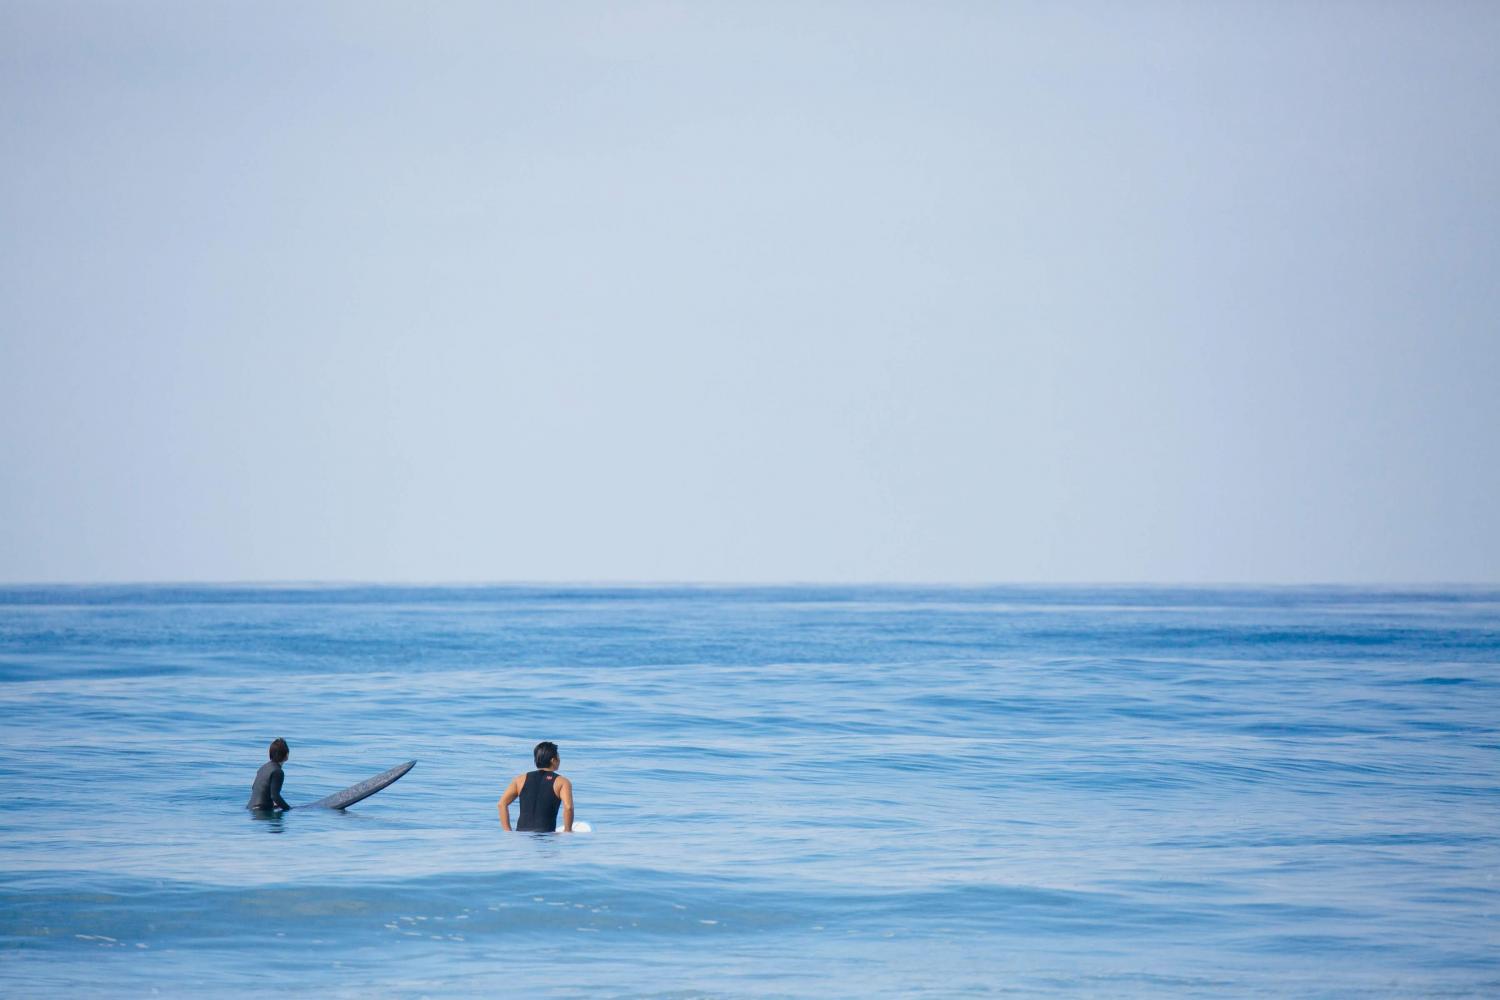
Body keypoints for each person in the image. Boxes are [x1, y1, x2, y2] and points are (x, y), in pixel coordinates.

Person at [498, 741, 574, 832]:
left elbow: (501, 804)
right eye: (558, 757)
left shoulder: (519, 780)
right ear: (553, 760)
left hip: (522, 836)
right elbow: (568, 807)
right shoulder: (562, 782)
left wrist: (508, 832)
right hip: (546, 837)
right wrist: (568, 831)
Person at [247, 738, 292, 811]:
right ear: (286, 755)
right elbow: (275, 796)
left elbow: (254, 788)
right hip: (261, 810)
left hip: (250, 808)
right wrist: (289, 809)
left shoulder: (263, 767)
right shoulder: (278, 771)